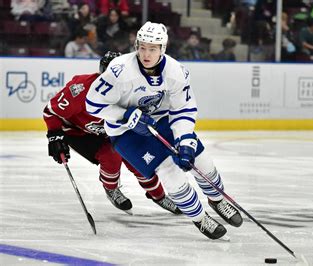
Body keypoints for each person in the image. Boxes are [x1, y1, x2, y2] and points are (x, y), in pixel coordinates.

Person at [85, 21, 243, 240]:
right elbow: (92, 104)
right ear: (136, 45)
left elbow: (183, 109)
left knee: (202, 160)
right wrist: (125, 115)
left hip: (162, 119)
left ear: (163, 49)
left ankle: (217, 199)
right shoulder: (119, 71)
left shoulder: (176, 72)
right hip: (124, 132)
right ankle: (200, 218)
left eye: (153, 48)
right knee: (170, 173)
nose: (146, 53)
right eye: (142, 47)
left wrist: (185, 141)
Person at [43, 51, 181, 215]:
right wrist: (55, 136)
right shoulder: (80, 89)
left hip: (110, 132)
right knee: (111, 154)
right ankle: (111, 188)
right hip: (78, 132)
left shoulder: (133, 90)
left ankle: (158, 196)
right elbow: (51, 112)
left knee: (139, 159)